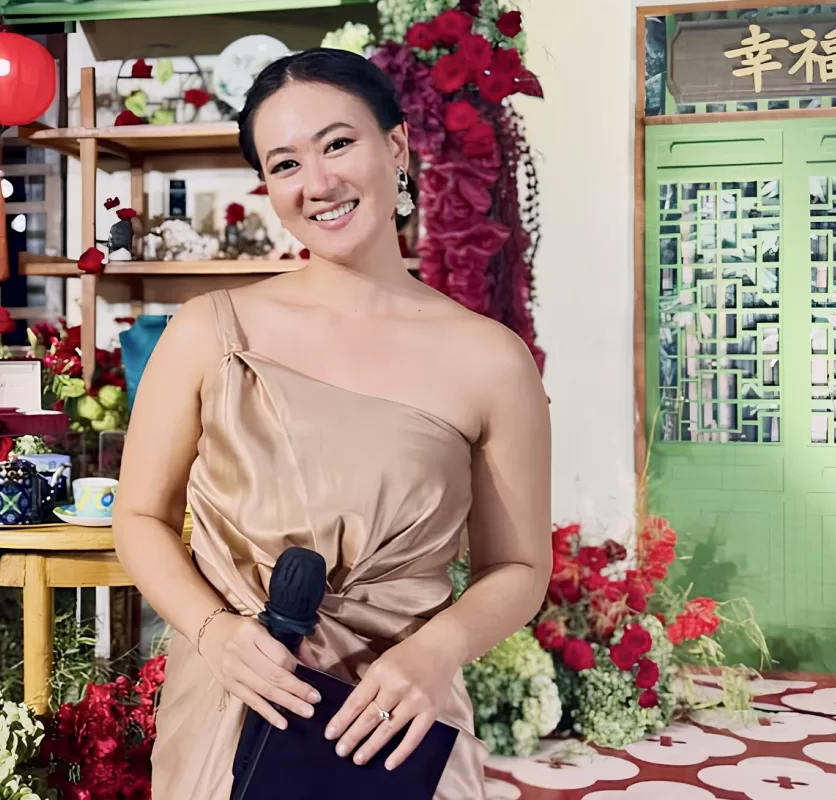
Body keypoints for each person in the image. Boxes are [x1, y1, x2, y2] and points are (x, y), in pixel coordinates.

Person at [112, 48, 551, 800]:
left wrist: (437, 652)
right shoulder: (208, 330)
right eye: (284, 164)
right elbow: (140, 516)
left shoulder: (491, 359)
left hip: (399, 713)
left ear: (396, 147)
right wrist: (215, 633)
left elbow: (517, 568)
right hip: (237, 701)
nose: (317, 184)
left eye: (338, 143)